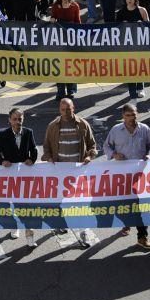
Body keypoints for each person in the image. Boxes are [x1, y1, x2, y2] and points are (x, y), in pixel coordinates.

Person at [42, 98, 97, 248]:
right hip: (60, 172)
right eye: (63, 109)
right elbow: (46, 147)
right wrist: (49, 157)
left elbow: (92, 145)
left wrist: (89, 156)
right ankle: (61, 224)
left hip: (78, 172)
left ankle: (83, 233)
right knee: (60, 201)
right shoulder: (53, 126)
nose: (66, 112)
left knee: (80, 204)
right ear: (59, 110)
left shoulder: (83, 124)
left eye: (68, 109)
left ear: (74, 108)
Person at [104, 103, 150, 250]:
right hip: (123, 176)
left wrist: (149, 154)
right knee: (124, 204)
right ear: (123, 116)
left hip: (140, 175)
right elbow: (106, 147)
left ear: (137, 114)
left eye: (133, 114)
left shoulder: (144, 129)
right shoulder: (116, 131)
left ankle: (142, 237)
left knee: (141, 206)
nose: (131, 118)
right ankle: (125, 223)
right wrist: (114, 154)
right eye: (128, 115)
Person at [0, 108, 38, 247]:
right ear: (9, 120)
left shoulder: (28, 133)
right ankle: (14, 226)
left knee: (26, 205)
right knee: (11, 203)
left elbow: (34, 150)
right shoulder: (3, 135)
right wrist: (2, 162)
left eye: (20, 119)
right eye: (15, 119)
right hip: (9, 176)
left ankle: (29, 236)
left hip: (25, 176)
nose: (18, 122)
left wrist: (31, 159)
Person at [49, 0, 81, 100]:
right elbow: (52, 19)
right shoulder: (56, 7)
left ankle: (71, 90)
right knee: (60, 66)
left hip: (71, 40)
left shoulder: (75, 6)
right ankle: (60, 91)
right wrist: (52, 20)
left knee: (70, 66)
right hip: (60, 40)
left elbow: (78, 23)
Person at [117, 0, 150, 99]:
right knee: (129, 67)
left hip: (140, 43)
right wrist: (123, 25)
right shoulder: (121, 12)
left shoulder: (142, 10)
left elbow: (149, 26)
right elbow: (116, 29)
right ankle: (132, 90)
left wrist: (142, 25)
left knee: (140, 65)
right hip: (127, 45)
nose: (129, 0)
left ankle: (140, 87)